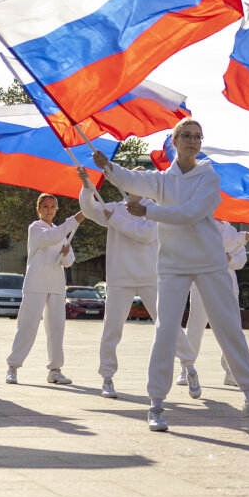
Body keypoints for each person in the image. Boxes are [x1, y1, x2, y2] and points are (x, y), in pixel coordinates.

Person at [91, 118, 249, 432]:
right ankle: (156, 403)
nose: (192, 141)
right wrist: (109, 167)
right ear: (174, 142)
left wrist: (149, 212)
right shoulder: (162, 180)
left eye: (197, 136)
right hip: (172, 264)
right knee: (166, 331)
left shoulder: (208, 176)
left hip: (210, 262)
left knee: (228, 327)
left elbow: (191, 214)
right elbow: (133, 179)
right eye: (186, 136)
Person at [78, 167, 198, 399]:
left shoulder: (155, 210)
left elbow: (145, 235)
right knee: (111, 329)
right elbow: (89, 209)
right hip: (119, 277)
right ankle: (107, 377)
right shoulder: (113, 207)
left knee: (168, 325)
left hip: (150, 276)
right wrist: (86, 186)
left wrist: (117, 222)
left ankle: (189, 366)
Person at [6, 193, 82, 386]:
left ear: (56, 210)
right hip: (36, 283)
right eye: (45, 206)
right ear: (39, 209)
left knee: (57, 329)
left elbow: (69, 261)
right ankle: (13, 367)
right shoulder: (36, 228)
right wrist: (74, 220)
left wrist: (65, 254)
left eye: (52, 207)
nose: (49, 210)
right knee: (27, 325)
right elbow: (48, 238)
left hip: (56, 286)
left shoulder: (61, 232)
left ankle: (55, 370)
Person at [182, 219, 249, 389]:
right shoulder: (200, 226)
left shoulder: (232, 230)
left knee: (231, 329)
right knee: (195, 328)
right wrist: (241, 237)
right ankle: (186, 368)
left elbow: (241, 260)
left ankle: (231, 372)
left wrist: (229, 260)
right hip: (201, 284)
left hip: (227, 286)